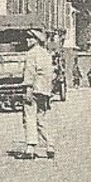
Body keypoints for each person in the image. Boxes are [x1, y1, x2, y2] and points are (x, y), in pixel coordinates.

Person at [18, 27, 56, 159]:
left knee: (29, 117)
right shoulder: (46, 54)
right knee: (41, 119)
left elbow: (30, 72)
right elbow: (51, 74)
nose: (27, 40)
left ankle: (30, 147)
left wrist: (28, 89)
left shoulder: (31, 54)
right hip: (45, 91)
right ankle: (50, 145)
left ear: (36, 40)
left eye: (30, 38)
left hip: (33, 89)